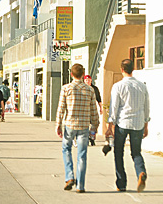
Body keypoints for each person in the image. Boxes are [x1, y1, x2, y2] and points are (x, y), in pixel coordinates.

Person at [105, 59, 150, 192]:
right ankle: (141, 172)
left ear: (122, 69)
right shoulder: (142, 86)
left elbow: (114, 107)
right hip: (138, 123)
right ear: (133, 69)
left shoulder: (118, 86)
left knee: (118, 153)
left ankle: (121, 183)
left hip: (122, 123)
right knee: (136, 152)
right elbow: (146, 106)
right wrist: (146, 124)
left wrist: (110, 125)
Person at [55, 63, 99, 193]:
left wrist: (58, 124)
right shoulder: (89, 90)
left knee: (66, 149)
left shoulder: (66, 88)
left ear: (72, 74)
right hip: (84, 126)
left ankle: (69, 177)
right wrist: (95, 126)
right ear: (82, 74)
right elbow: (94, 110)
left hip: (69, 125)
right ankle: (81, 185)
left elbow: (61, 108)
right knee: (82, 155)